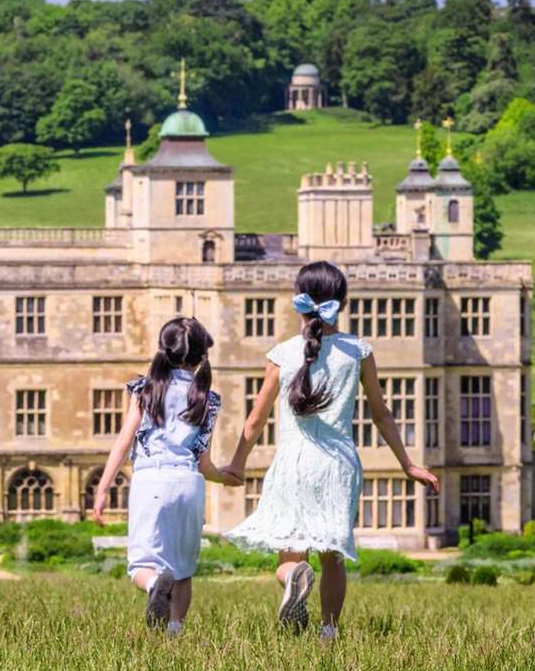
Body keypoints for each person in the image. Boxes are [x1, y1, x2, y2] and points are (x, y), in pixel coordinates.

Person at [220, 262, 440, 640]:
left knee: (289, 556)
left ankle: (293, 577)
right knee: (333, 555)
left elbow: (256, 418)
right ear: (343, 302)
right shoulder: (358, 351)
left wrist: (237, 464)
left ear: (299, 302)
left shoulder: (282, 354)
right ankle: (329, 633)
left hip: (293, 461)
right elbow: (382, 414)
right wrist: (408, 464)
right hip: (338, 464)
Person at [92, 317, 242, 636]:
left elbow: (124, 441)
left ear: (163, 349)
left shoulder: (145, 389)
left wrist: (103, 488)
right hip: (189, 483)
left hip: (150, 480)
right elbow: (204, 464)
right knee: (183, 569)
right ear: (202, 357)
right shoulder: (207, 399)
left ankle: (153, 589)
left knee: (141, 564)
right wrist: (225, 478)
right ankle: (174, 633)